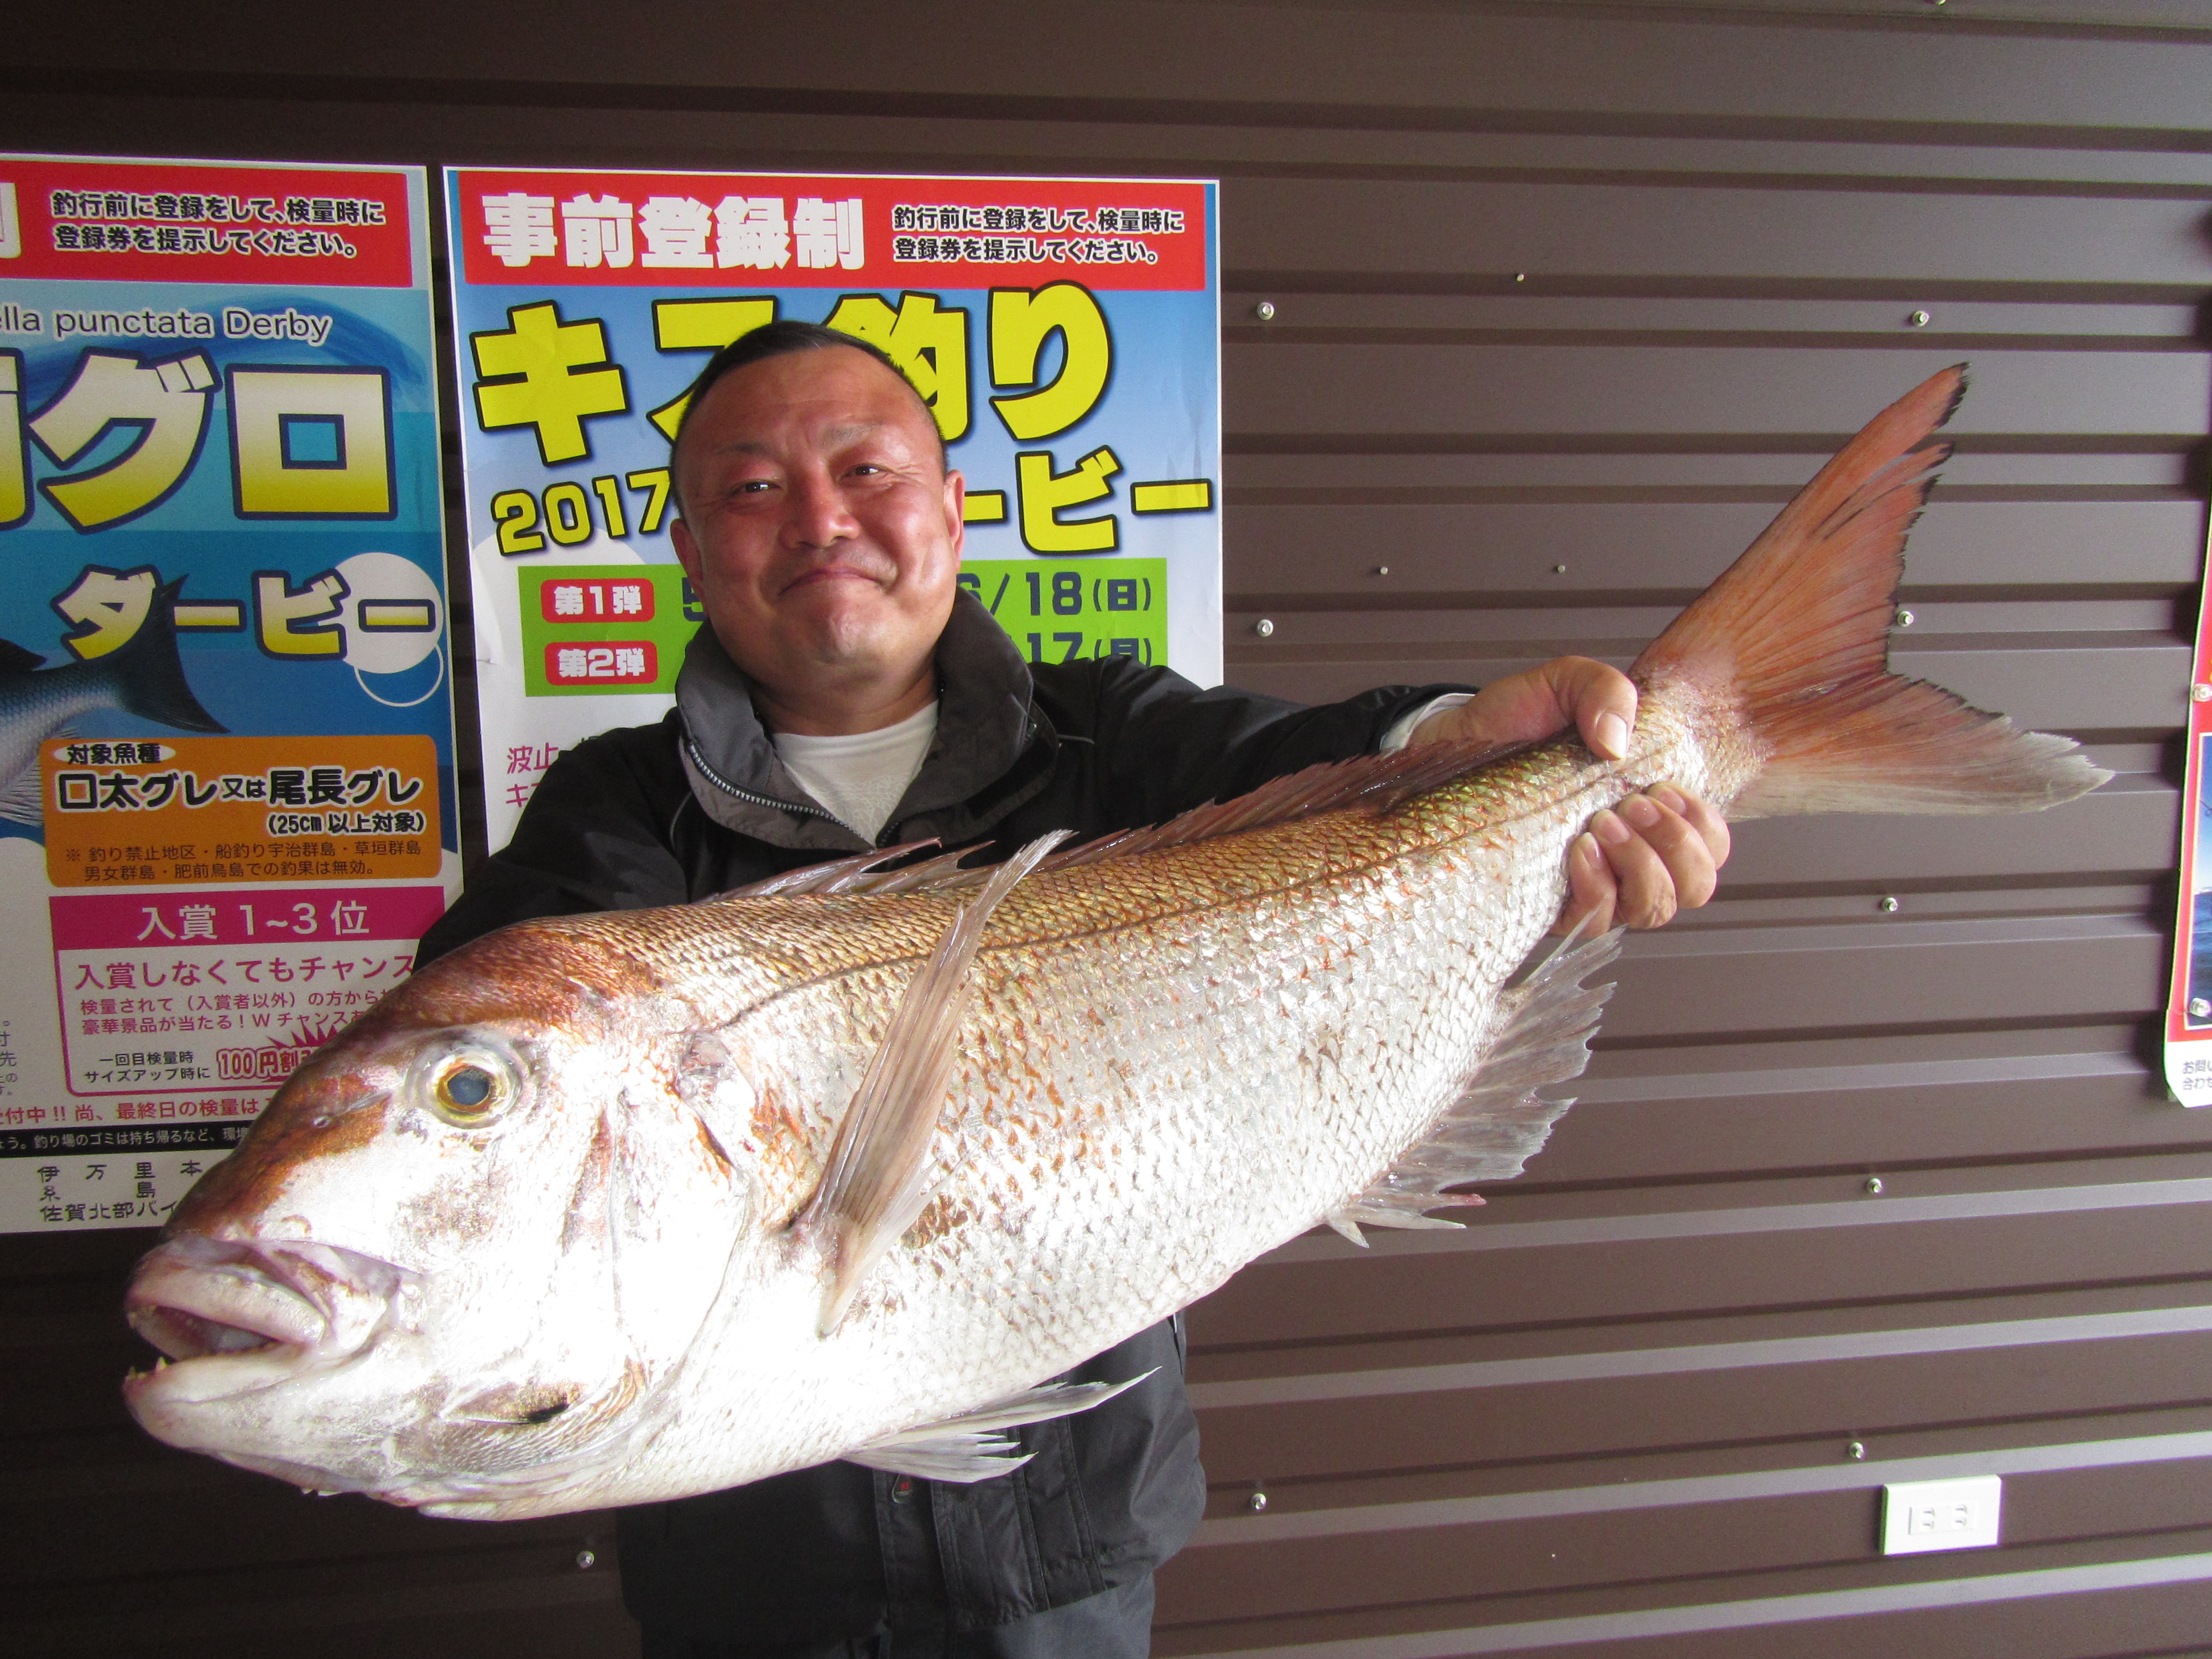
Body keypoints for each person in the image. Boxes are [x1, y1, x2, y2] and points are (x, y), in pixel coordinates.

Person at [415, 322, 1729, 1657]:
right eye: (752, 489)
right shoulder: (615, 805)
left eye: (867, 470)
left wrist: (1458, 744)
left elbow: (1307, 759)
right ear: (693, 554)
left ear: (951, 510)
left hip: (1064, 1556)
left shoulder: (1108, 737)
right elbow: (513, 1031)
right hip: (748, 1569)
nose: (820, 520)